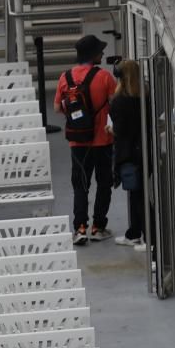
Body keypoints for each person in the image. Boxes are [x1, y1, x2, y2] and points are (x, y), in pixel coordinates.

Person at [55, 34, 118, 245]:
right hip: (102, 141)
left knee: (81, 186)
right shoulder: (105, 77)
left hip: (78, 142)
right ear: (93, 55)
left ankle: (80, 228)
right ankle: (98, 227)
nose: (102, 53)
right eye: (100, 51)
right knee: (103, 184)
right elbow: (115, 103)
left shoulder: (65, 77)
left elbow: (57, 108)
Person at [108, 58, 147, 249]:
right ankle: (137, 233)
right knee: (141, 195)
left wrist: (111, 129)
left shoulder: (119, 102)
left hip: (128, 154)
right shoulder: (145, 97)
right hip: (145, 151)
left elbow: (120, 130)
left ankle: (141, 236)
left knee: (136, 196)